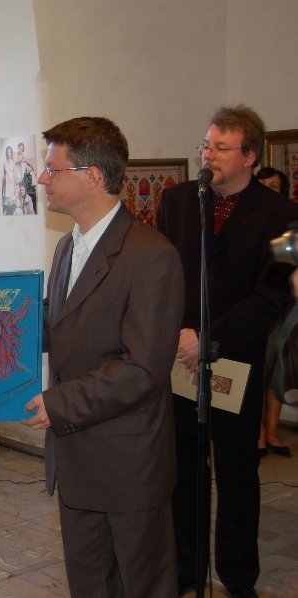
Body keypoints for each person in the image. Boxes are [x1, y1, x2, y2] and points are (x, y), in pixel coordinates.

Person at [22, 116, 184, 597]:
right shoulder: (66, 248)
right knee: (89, 585)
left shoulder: (151, 255)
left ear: (92, 176)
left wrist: (60, 403)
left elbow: (143, 367)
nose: (43, 178)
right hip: (76, 461)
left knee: (143, 586)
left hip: (127, 463)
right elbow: (58, 327)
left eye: (53, 168)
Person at [156, 105, 298, 597]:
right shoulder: (176, 201)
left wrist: (209, 337)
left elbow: (274, 296)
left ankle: (238, 577)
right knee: (184, 472)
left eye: (221, 147)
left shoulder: (284, 216)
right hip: (180, 357)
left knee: (238, 476)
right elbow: (160, 276)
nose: (208, 154)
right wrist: (178, 335)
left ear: (250, 156)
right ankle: (186, 570)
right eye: (206, 144)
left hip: (237, 359)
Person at [256, 166, 293, 459]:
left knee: (278, 371)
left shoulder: (289, 223)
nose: (269, 191)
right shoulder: (249, 222)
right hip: (254, 307)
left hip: (284, 305)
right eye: (264, 185)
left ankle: (272, 431)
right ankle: (256, 433)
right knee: (260, 368)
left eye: (275, 186)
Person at [2, 145, 16, 213]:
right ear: (6, 153)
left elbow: (14, 176)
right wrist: (3, 187)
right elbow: (4, 176)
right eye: (7, 152)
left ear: (11, 153)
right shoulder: (4, 163)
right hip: (6, 184)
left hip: (11, 183)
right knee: (6, 204)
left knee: (12, 203)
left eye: (10, 152)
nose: (8, 153)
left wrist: (15, 188)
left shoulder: (13, 163)